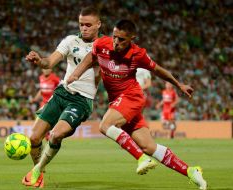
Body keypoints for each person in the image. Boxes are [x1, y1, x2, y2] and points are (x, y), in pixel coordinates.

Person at [67, 19, 207, 190]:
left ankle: (142, 159)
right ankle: (192, 171)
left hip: (131, 97)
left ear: (132, 38)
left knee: (105, 125)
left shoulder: (137, 54)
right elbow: (91, 57)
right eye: (115, 37)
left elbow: (158, 70)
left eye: (122, 40)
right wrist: (76, 73)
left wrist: (179, 85)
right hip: (118, 101)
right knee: (149, 146)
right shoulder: (101, 44)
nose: (116, 42)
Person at [22, 6, 102, 188]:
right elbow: (49, 62)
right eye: (81, 24)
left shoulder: (105, 46)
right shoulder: (70, 40)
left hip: (82, 100)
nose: (84, 28)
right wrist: (38, 60)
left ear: (98, 24)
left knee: (55, 135)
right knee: (34, 138)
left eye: (88, 25)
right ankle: (39, 172)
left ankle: (36, 171)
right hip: (61, 93)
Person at [31, 68, 60, 140]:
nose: (46, 70)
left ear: (51, 70)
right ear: (42, 70)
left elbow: (60, 88)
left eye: (47, 69)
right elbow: (41, 90)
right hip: (43, 103)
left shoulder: (54, 78)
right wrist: (35, 99)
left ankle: (49, 135)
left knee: (48, 120)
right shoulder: (41, 77)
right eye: (44, 69)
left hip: (52, 102)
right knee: (39, 118)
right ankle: (44, 135)